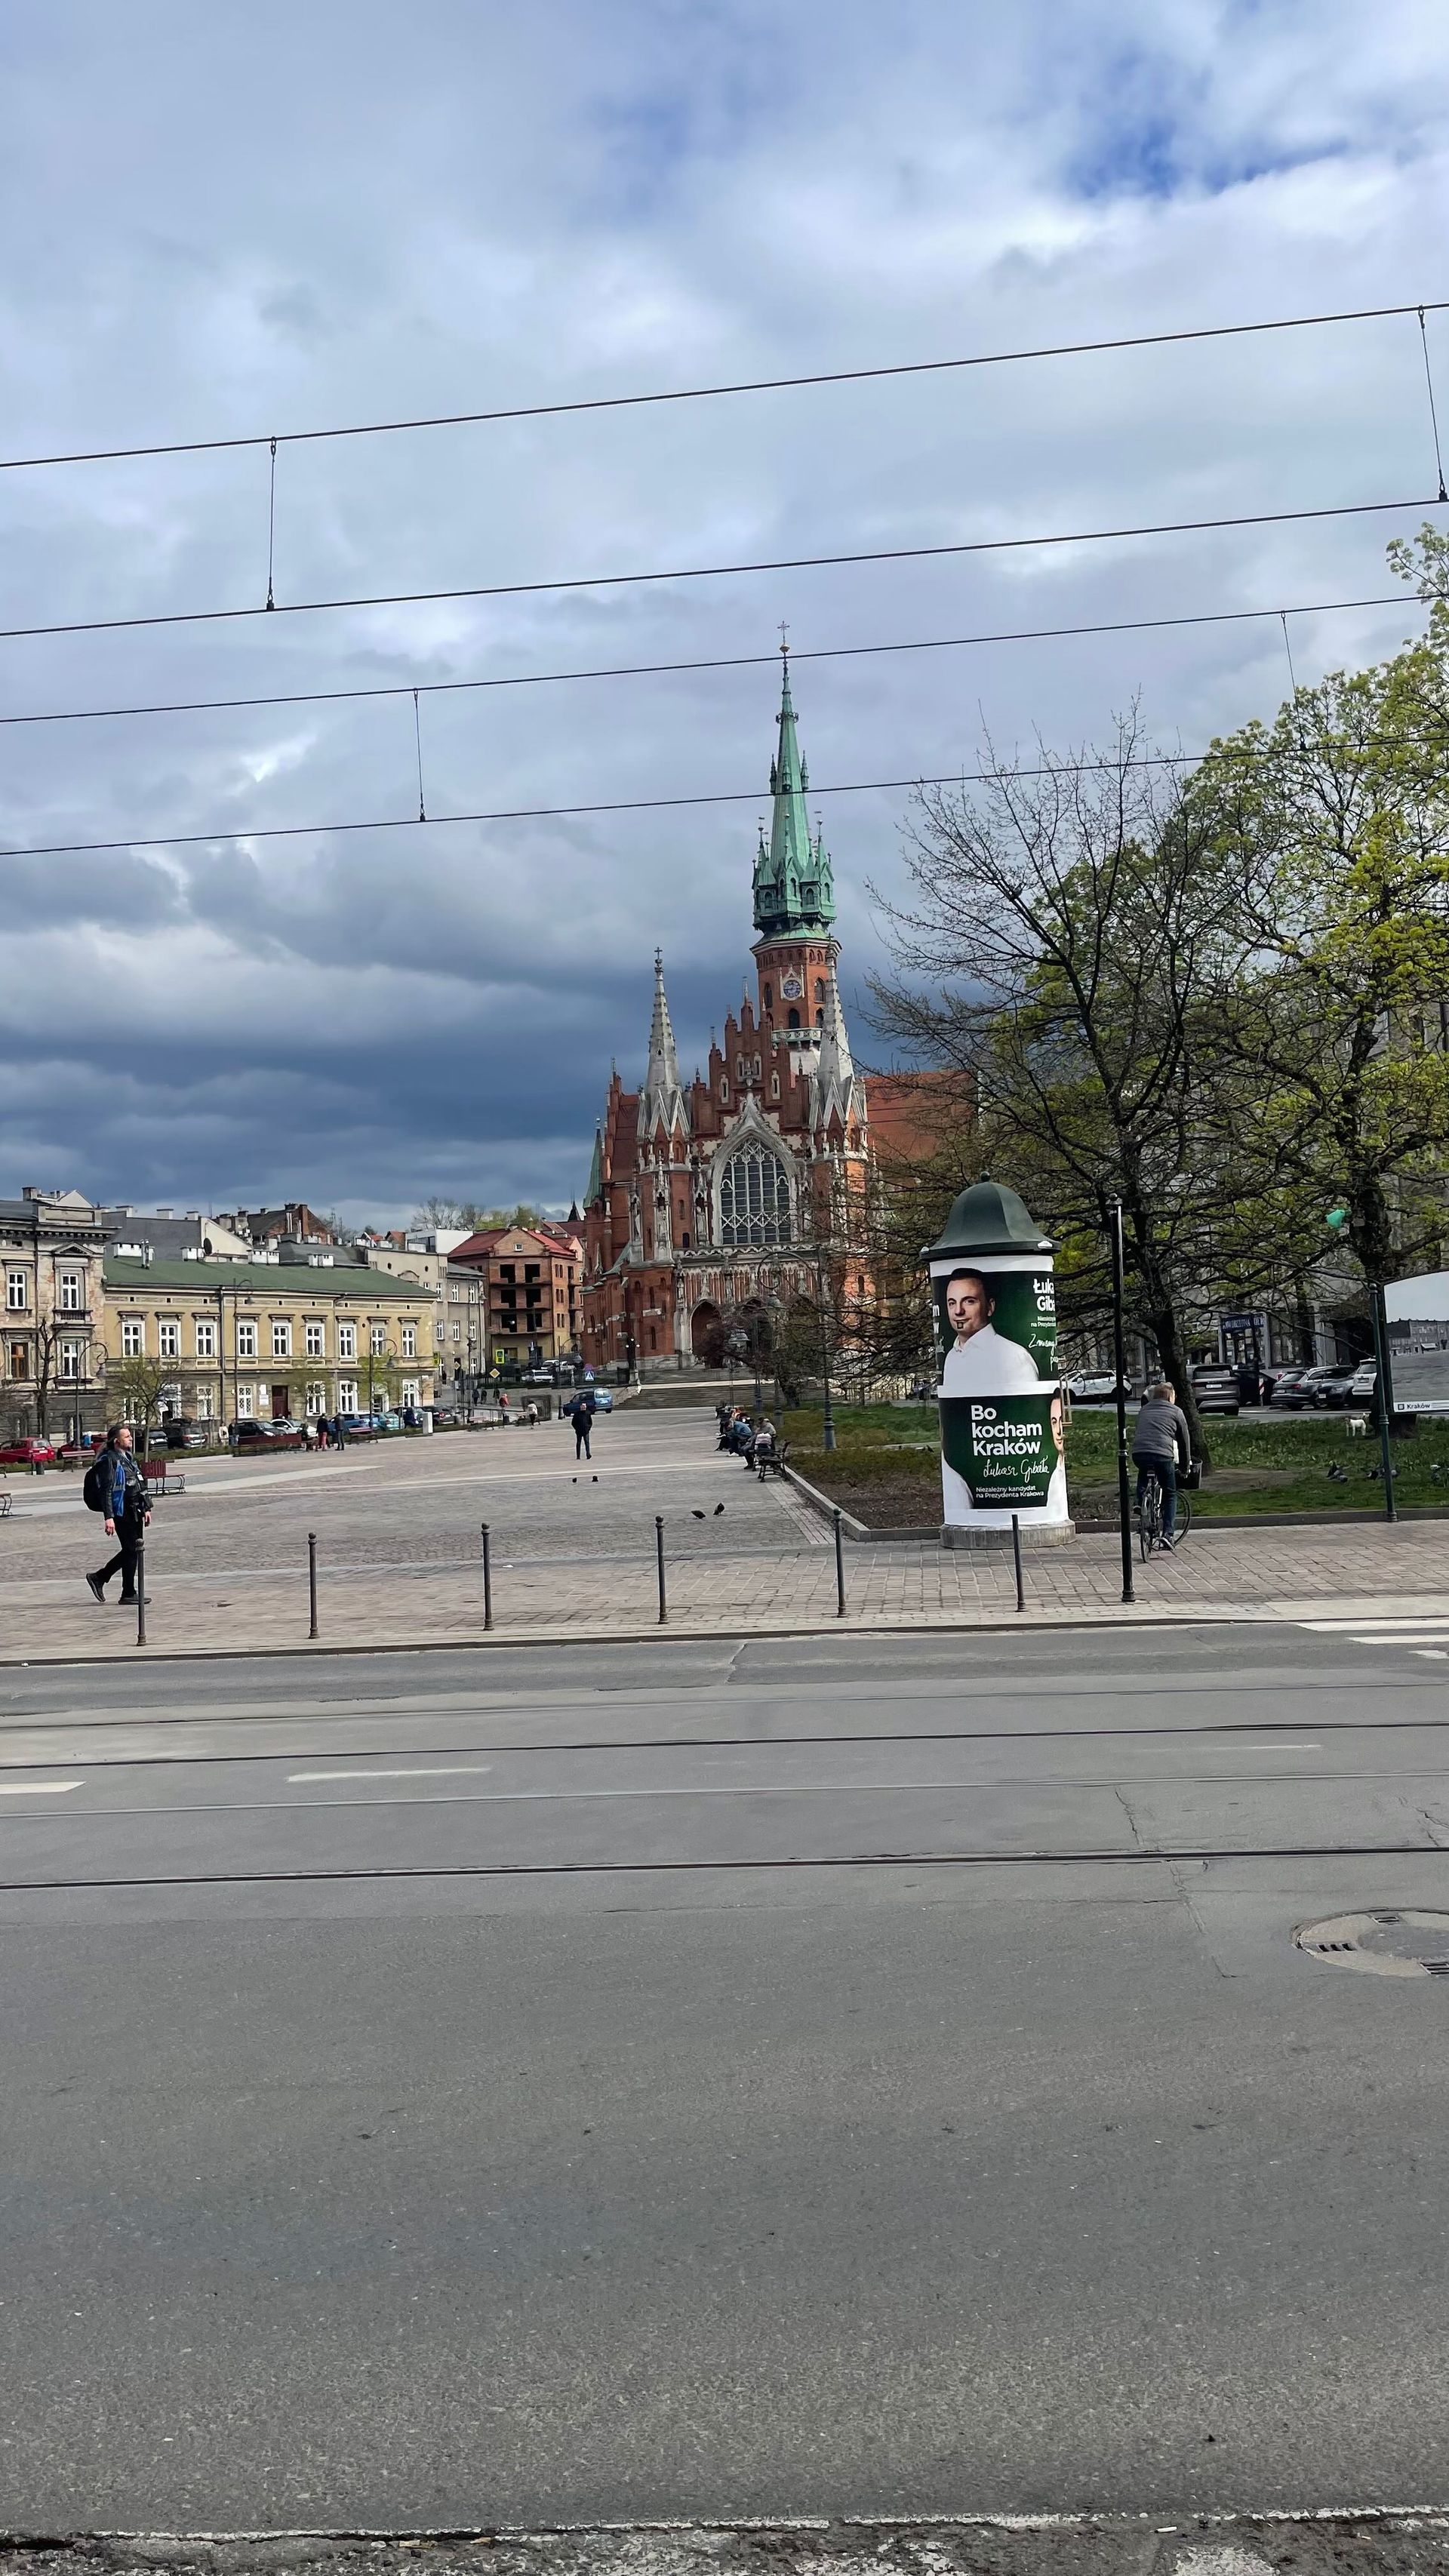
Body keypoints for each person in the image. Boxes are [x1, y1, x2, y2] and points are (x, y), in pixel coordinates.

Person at [940, 1267, 1041, 1396]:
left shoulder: (1014, 1357)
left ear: (990, 1307)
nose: (958, 1311)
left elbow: (1027, 1409)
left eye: (969, 1301)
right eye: (952, 1303)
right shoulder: (951, 1358)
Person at [86, 1423, 151, 1606]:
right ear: (117, 1442)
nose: (130, 1439)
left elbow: (139, 1483)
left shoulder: (128, 1457)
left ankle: (123, 1589)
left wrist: (146, 1507)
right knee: (132, 1550)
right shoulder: (109, 1461)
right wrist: (109, 1517)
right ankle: (107, 1581)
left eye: (130, 1436)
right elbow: (106, 1491)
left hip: (134, 1510)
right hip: (121, 1511)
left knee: (134, 1551)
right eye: (127, 1436)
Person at [1132, 1379, 1191, 1548]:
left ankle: (1139, 1501)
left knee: (1144, 1470)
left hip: (1139, 1453)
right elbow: (1184, 1441)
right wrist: (1185, 1467)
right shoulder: (1177, 1412)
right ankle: (1168, 1534)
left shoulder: (1144, 1410)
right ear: (1170, 1397)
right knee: (1170, 1493)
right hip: (1163, 1455)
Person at [573, 1393, 595, 1461]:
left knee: (587, 1443)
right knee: (578, 1443)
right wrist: (576, 1428)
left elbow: (590, 1422)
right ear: (580, 1407)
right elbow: (573, 1423)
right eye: (583, 1407)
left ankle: (588, 1454)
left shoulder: (588, 1413)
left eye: (585, 1407)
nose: (584, 1408)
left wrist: (588, 1428)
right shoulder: (577, 1414)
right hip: (579, 1431)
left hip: (586, 1431)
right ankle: (578, 1456)